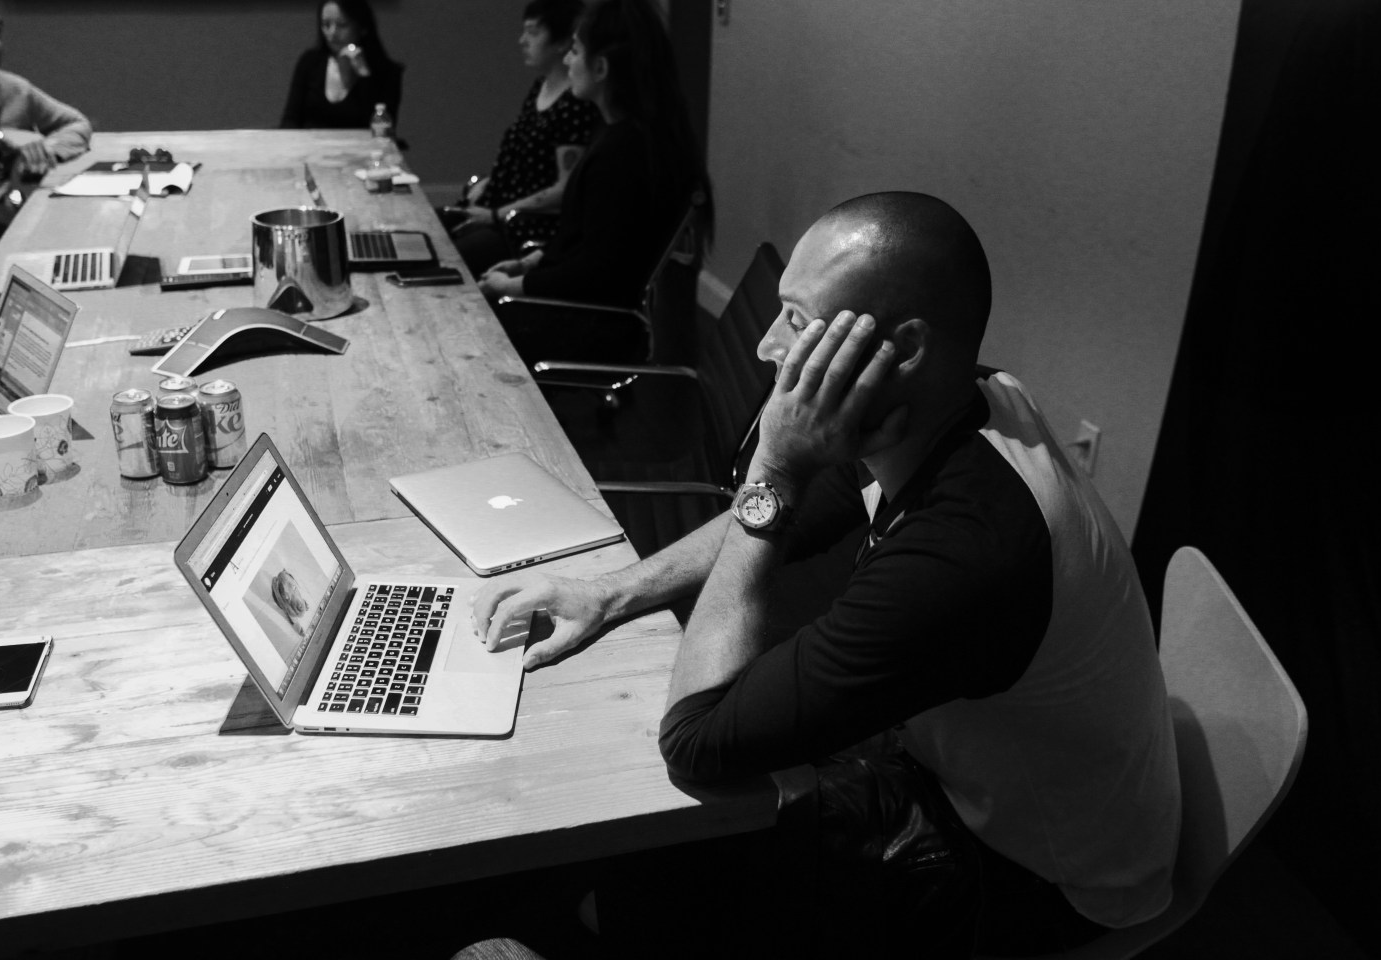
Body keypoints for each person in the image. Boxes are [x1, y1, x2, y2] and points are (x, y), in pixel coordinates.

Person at [474, 192, 1181, 955]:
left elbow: (697, 737)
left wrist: (775, 466)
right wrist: (608, 594)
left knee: (657, 863)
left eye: (797, 321)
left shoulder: (969, 552)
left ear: (901, 349)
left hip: (1036, 882)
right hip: (967, 777)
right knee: (644, 843)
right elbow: (794, 514)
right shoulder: (963, 401)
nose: (766, 346)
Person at [478, 0, 711, 358]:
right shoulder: (626, 134)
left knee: (472, 327)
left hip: (595, 324)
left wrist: (513, 286)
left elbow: (595, 274)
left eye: (574, 51)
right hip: (587, 308)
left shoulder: (624, 155)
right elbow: (589, 240)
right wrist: (530, 263)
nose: (567, 61)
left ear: (601, 67)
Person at [450, 0, 601, 277]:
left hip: (523, 224)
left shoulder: (574, 105)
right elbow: (524, 157)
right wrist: (489, 183)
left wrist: (495, 215)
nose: (522, 41)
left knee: (449, 258)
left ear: (561, 43)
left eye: (533, 32)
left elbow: (564, 189)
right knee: (427, 232)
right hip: (499, 206)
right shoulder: (540, 87)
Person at [0, 0, 91, 279]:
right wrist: (0, 140)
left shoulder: (12, 90)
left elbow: (76, 124)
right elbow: (2, 141)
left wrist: (43, 151)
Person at [280, 0, 403, 131]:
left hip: (359, 143)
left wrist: (364, 75)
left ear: (362, 27)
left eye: (342, 25)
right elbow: (290, 119)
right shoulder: (310, 62)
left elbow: (382, 129)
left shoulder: (387, 71)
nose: (332, 32)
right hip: (311, 142)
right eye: (326, 25)